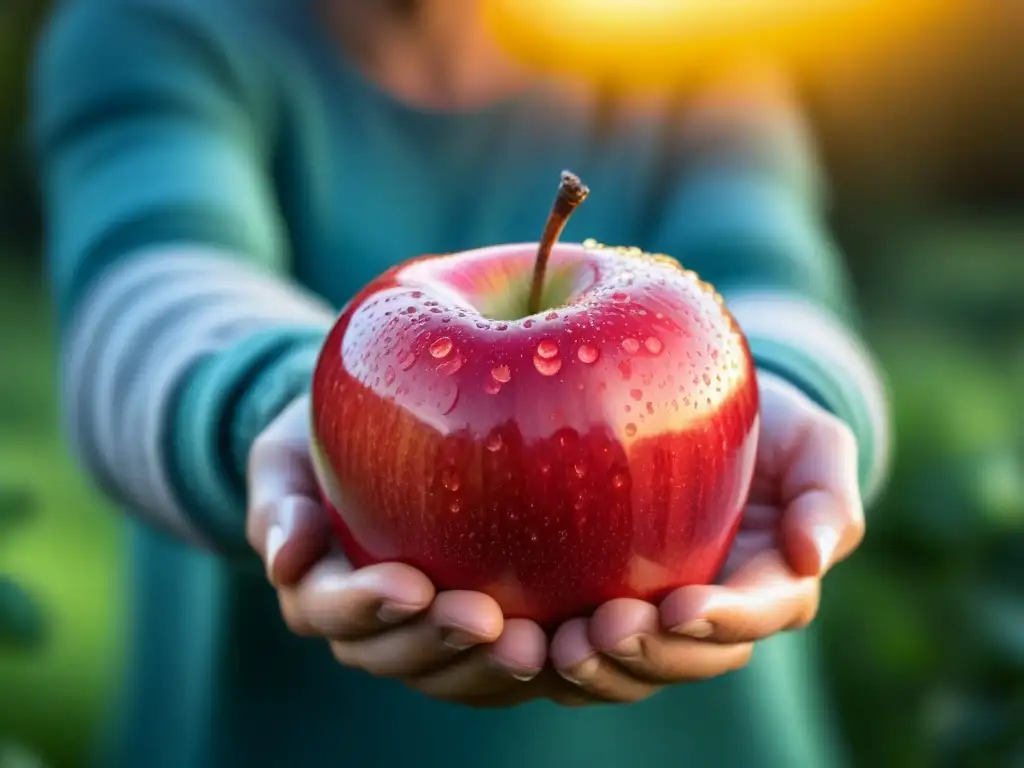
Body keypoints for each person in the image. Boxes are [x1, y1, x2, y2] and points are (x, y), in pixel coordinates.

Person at [30, 0, 891, 766]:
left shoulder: (693, 45)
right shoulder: (157, 23)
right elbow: (149, 288)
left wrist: (794, 392)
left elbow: (776, 280)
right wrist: (280, 412)